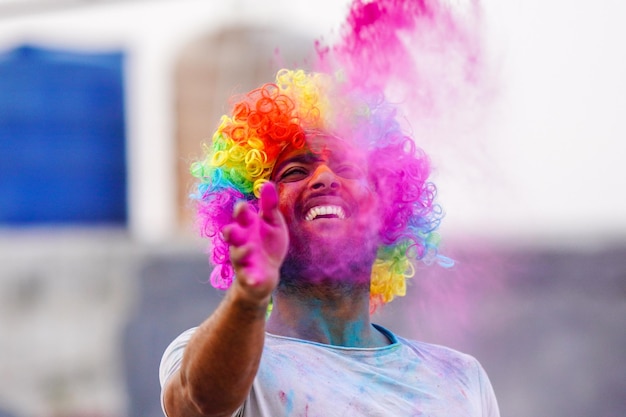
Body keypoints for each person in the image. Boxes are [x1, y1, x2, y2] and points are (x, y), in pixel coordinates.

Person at [159, 69, 500, 417]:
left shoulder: (460, 380)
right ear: (251, 207)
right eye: (294, 171)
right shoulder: (216, 360)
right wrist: (249, 294)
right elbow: (196, 404)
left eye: (349, 169)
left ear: (386, 211)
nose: (324, 177)